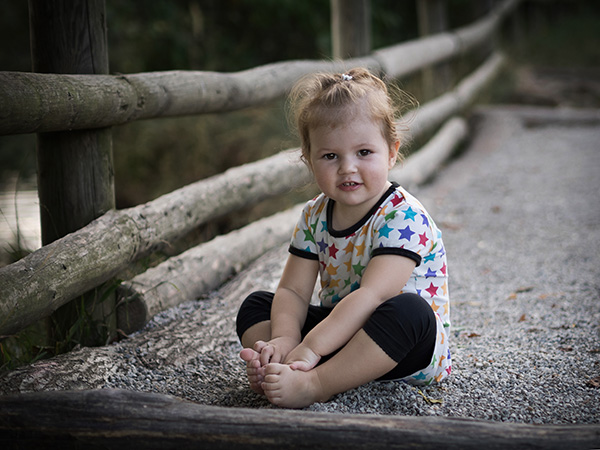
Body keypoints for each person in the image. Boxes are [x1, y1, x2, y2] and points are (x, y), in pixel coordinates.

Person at [236, 67, 451, 409]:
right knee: (258, 305)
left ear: (392, 152)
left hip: (398, 348)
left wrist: (311, 347)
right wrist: (285, 338)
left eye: (364, 153)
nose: (347, 167)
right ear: (309, 159)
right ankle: (279, 366)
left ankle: (316, 382)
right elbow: (293, 290)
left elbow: (373, 295)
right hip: (338, 334)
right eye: (330, 156)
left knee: (411, 311)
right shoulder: (314, 214)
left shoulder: (402, 216)